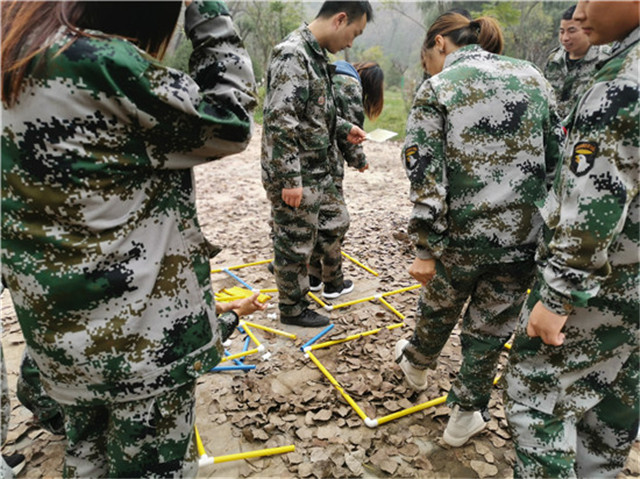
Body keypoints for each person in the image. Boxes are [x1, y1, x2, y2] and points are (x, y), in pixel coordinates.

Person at [1, 0, 256, 476]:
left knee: (87, 459)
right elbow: (230, 116)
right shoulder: (98, 63)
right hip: (138, 349)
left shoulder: (17, 54)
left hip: (59, 341)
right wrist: (208, 11)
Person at [394, 11, 562, 447]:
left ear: (441, 44)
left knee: (441, 301)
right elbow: (556, 163)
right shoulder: (533, 76)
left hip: (461, 236)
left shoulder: (439, 87)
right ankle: (465, 414)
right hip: (522, 237)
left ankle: (417, 363)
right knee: (492, 327)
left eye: (425, 55)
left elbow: (426, 175)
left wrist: (425, 247)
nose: (426, 64)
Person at [503, 1, 639, 476]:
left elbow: (596, 200)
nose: (580, 12)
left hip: (606, 285)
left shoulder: (623, 82)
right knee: (613, 404)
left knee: (534, 394)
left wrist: (558, 296)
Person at [261, 1, 371, 327]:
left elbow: (313, 114)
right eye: (354, 32)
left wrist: (343, 128)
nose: (351, 42)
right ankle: (292, 308)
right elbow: (281, 119)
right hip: (297, 172)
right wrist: (289, 178)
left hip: (316, 169)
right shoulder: (293, 54)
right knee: (294, 242)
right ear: (340, 19)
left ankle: (306, 290)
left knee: (322, 230)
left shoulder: (316, 58)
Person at [308, 60, 384, 298]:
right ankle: (333, 282)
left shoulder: (331, 71)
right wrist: (359, 160)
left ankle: (312, 277)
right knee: (334, 221)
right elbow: (350, 133)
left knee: (314, 215)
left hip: (307, 157)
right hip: (327, 160)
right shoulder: (350, 84)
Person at [544, 4, 610, 121]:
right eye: (562, 31)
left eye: (571, 31)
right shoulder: (554, 59)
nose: (565, 38)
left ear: (587, 29)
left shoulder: (605, 59)